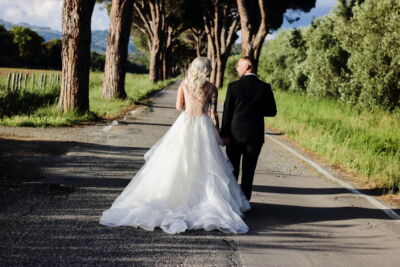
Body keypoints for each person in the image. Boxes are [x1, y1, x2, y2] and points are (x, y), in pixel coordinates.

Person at [99, 57, 250, 235]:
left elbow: (179, 106)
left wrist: (189, 104)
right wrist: (217, 133)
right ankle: (203, 199)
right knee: (207, 163)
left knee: (176, 160)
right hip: (203, 126)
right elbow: (212, 113)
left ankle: (172, 197)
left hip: (185, 124)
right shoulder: (211, 88)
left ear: (193, 69)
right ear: (207, 70)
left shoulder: (184, 85)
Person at [220, 56, 277, 202]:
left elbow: (227, 112)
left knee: (232, 170)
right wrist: (255, 110)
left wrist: (224, 134)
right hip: (255, 136)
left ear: (247, 66)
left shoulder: (233, 86)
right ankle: (245, 202)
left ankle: (231, 201)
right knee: (249, 170)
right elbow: (272, 112)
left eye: (239, 65)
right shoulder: (264, 87)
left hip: (234, 135)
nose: (237, 68)